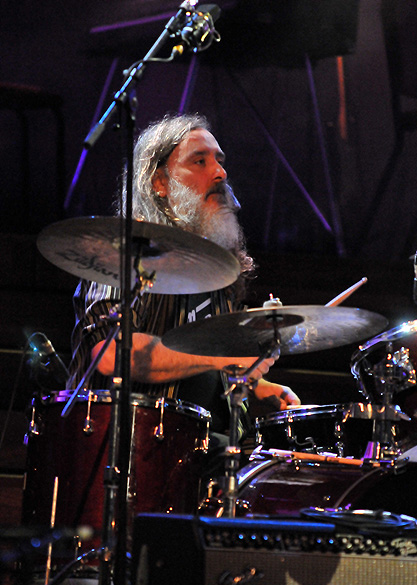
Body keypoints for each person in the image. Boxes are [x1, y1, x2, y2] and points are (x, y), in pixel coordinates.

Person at [67, 113, 300, 482]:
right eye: (200, 161)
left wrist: (256, 386)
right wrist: (225, 358)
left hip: (207, 448)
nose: (220, 173)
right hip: (131, 450)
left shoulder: (219, 266)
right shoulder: (127, 252)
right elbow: (110, 353)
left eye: (219, 160)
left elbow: (205, 365)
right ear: (160, 182)